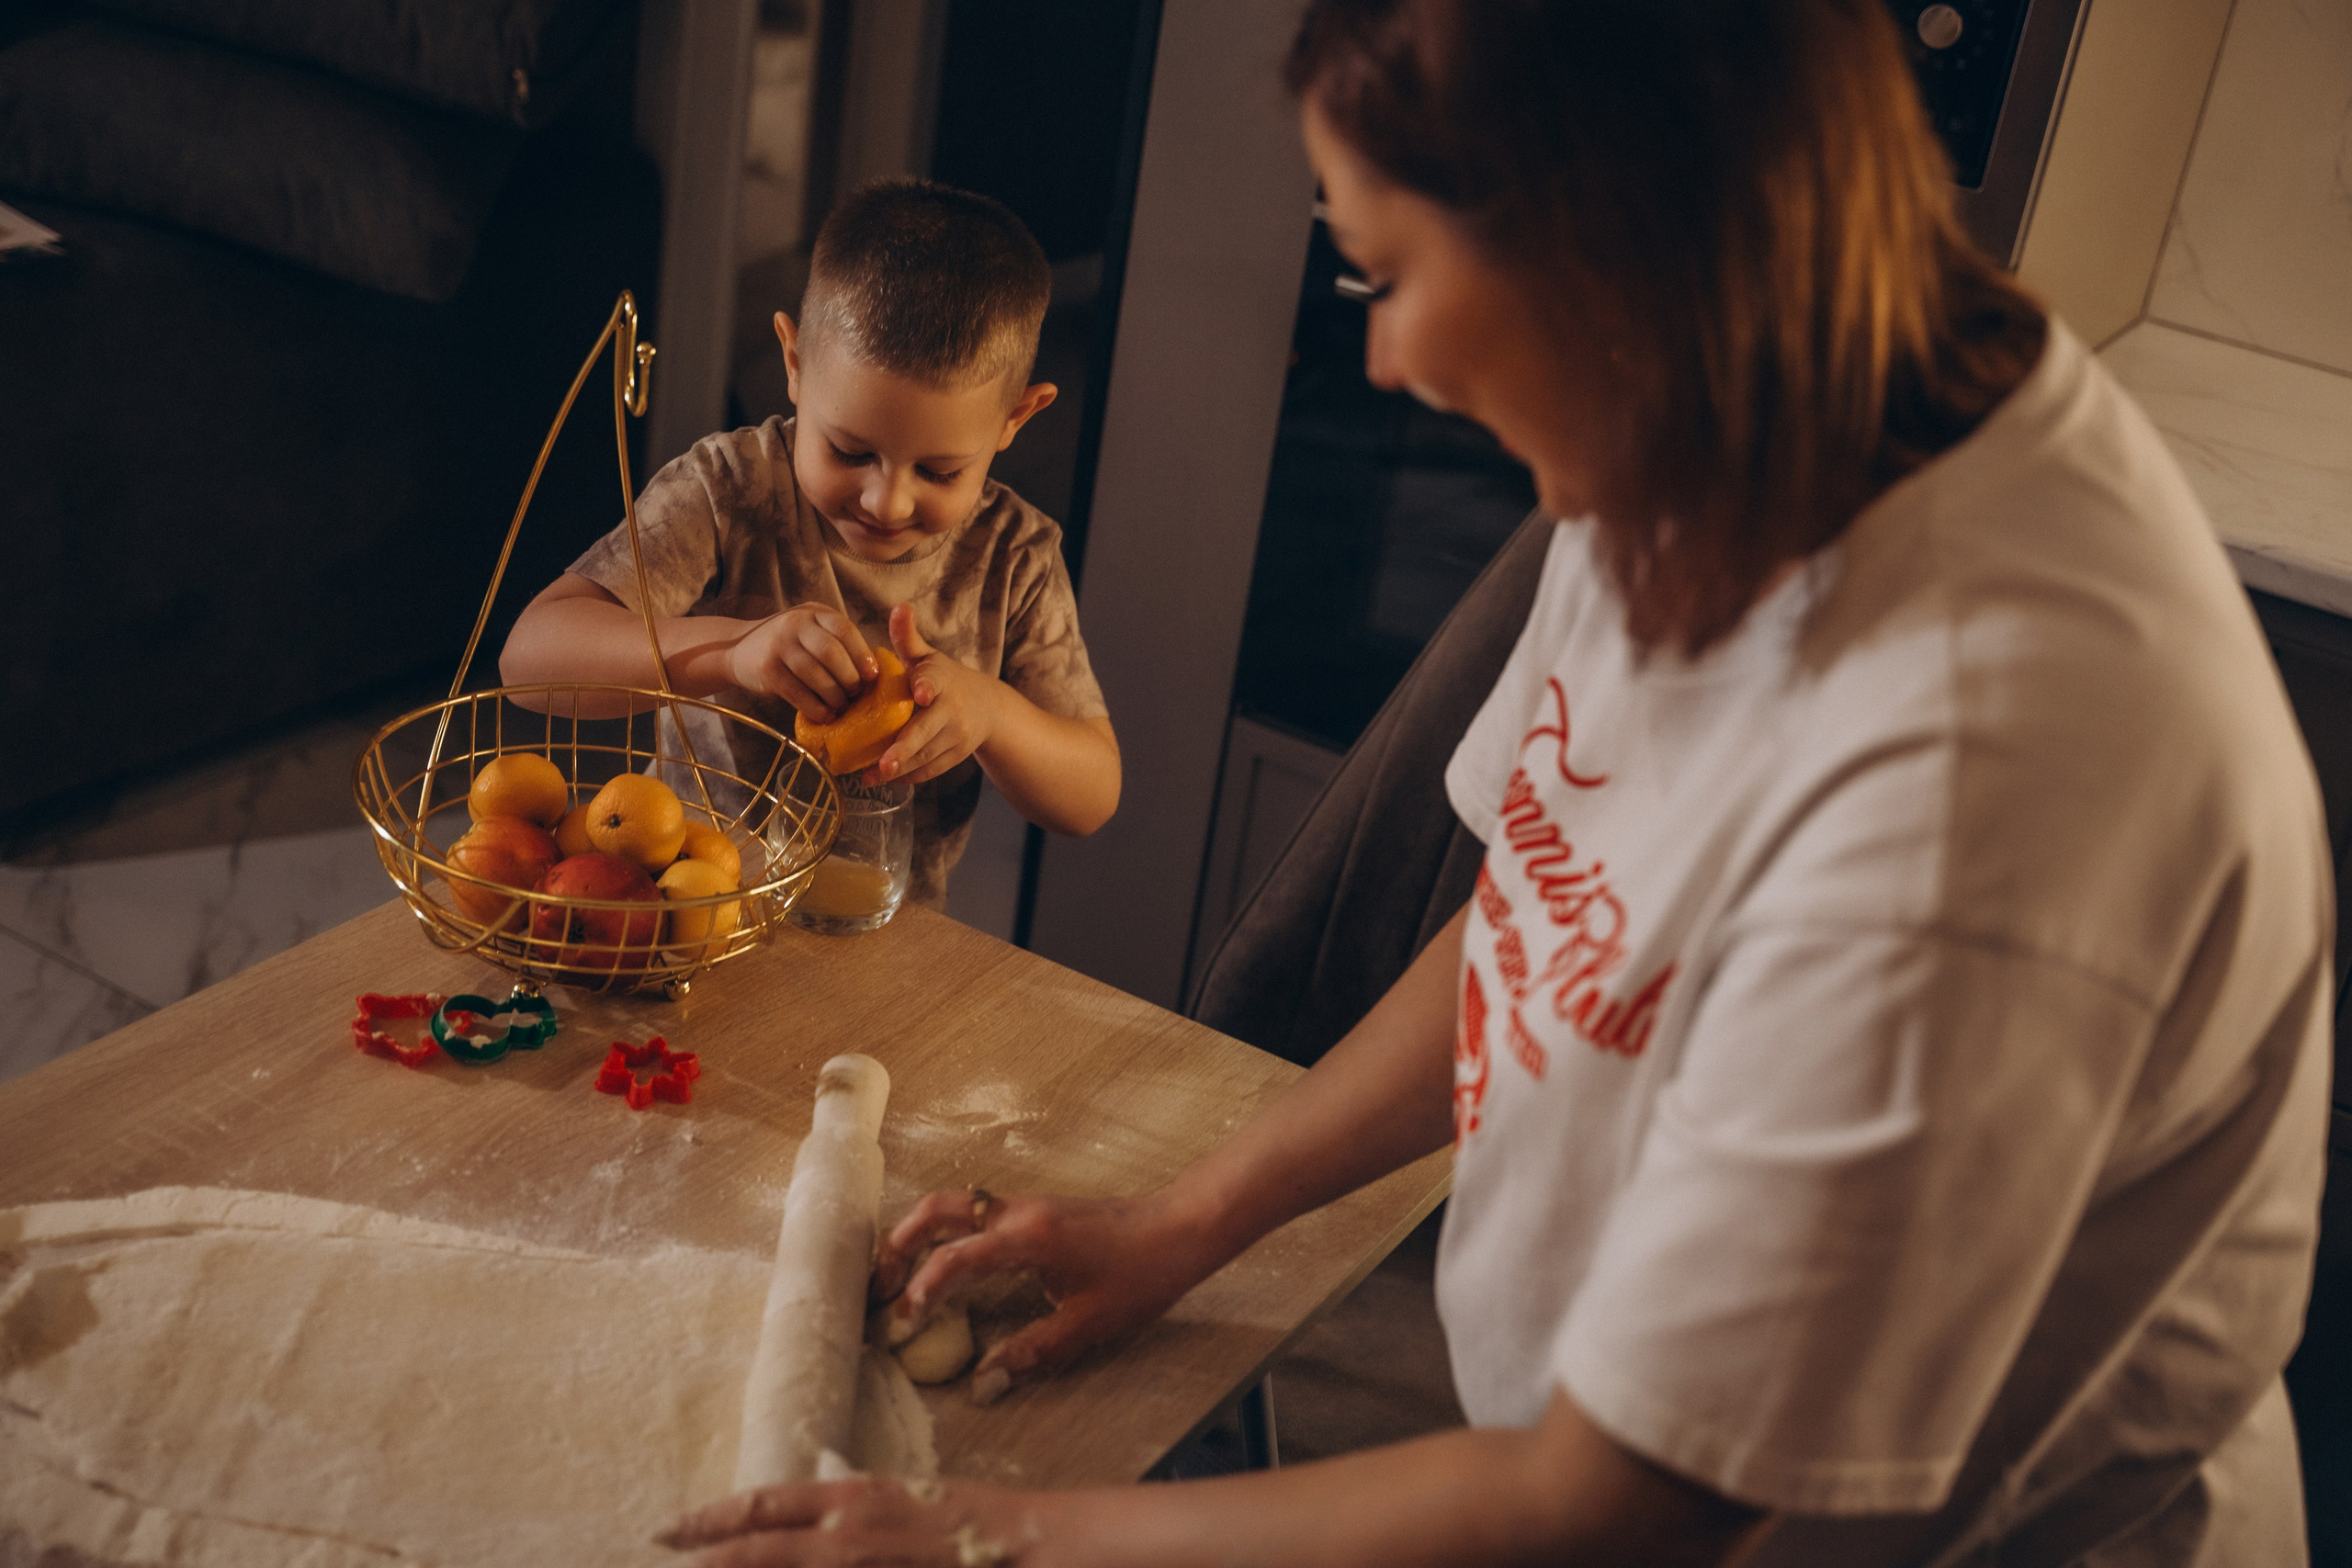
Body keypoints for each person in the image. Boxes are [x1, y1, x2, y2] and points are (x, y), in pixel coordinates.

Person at [662, 2, 2332, 1562]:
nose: (1380, 360)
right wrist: (1179, 1223)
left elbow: (1619, 1499)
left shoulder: (1984, 792)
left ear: (1602, 246)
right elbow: (1540, 907)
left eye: (1381, 272)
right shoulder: (1722, 413)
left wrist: (1003, 1534)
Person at [501, 179, 1120, 907]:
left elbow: (1091, 796)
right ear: (793, 364)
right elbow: (529, 661)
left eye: (939, 470)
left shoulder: (1015, 555)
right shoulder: (729, 491)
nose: (887, 500)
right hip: (694, 916)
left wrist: (992, 712)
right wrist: (735, 650)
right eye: (851, 451)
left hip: (884, 937)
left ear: (1015, 419)